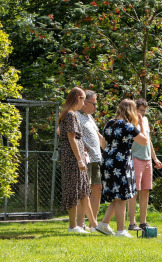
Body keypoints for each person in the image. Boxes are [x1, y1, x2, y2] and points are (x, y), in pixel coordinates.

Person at [95, 99, 148, 237]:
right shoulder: (127, 126)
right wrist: (141, 124)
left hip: (107, 161)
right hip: (121, 163)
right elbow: (144, 141)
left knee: (116, 196)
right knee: (122, 196)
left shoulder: (109, 123)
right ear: (131, 110)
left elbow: (103, 144)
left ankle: (104, 224)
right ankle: (121, 230)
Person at [58, 87, 100, 233]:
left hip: (78, 157)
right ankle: (73, 226)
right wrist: (80, 160)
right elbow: (71, 139)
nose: (84, 103)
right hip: (73, 159)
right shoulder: (70, 114)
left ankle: (94, 225)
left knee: (83, 190)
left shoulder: (72, 114)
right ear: (77, 98)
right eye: (82, 99)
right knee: (74, 191)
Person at [127, 99, 162, 231]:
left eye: (144, 111)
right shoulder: (131, 121)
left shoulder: (146, 120)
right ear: (135, 109)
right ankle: (132, 223)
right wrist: (139, 122)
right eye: (141, 110)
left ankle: (143, 222)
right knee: (134, 191)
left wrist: (155, 158)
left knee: (146, 190)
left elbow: (148, 140)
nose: (143, 113)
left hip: (147, 159)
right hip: (135, 158)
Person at [76, 90, 106, 232]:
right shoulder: (75, 115)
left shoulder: (89, 117)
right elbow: (61, 132)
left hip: (96, 158)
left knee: (97, 189)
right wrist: (81, 146)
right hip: (85, 159)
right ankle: (79, 224)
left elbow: (98, 135)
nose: (96, 107)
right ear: (85, 103)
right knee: (83, 192)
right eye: (94, 104)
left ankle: (92, 224)